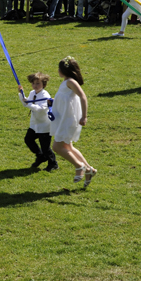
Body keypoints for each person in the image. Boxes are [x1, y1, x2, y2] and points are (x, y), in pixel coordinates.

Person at [49, 56, 96, 188]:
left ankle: (79, 166)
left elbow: (83, 97)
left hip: (69, 119)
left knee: (57, 147)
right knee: (68, 147)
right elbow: (66, 97)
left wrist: (84, 116)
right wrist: (54, 100)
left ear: (64, 70)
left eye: (59, 68)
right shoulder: (66, 82)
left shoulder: (71, 82)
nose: (57, 70)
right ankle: (89, 170)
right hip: (64, 118)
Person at [18, 72, 57, 172]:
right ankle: (40, 156)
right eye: (33, 83)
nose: (35, 86)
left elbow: (40, 109)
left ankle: (53, 163)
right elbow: (26, 103)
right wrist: (21, 94)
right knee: (28, 140)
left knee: (45, 147)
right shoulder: (32, 93)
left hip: (44, 126)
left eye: (38, 83)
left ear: (44, 84)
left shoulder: (45, 95)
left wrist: (28, 103)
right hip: (34, 124)